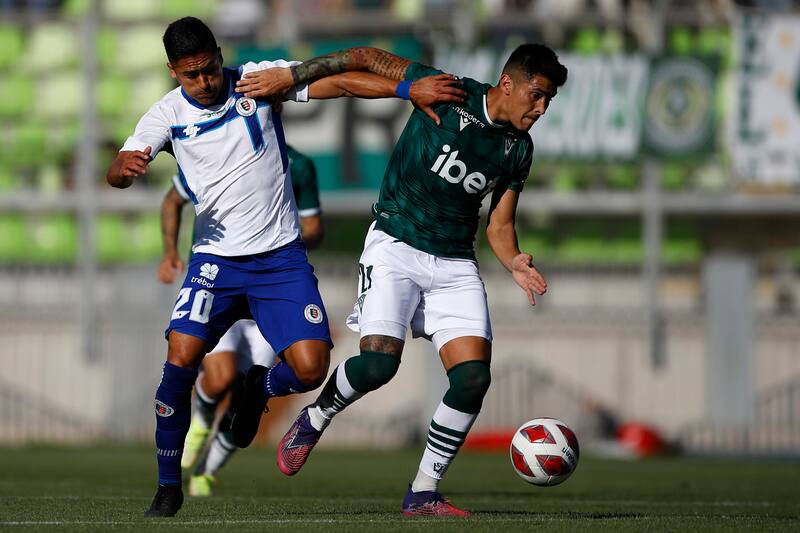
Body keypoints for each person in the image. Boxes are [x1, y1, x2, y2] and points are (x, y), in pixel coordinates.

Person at [105, 16, 464, 518]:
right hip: (215, 261)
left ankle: (257, 388)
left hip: (279, 260)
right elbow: (121, 165)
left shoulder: (257, 80)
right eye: (191, 76)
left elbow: (336, 82)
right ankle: (168, 486)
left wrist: (406, 89)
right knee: (181, 361)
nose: (204, 82)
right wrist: (122, 171)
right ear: (172, 72)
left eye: (209, 69)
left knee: (312, 368)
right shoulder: (164, 116)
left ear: (218, 54)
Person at [236, 43, 567, 517]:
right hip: (397, 244)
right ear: (508, 84)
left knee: (473, 379)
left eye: (549, 100)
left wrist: (513, 261)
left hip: (454, 263)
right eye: (536, 95)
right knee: (378, 366)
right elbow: (367, 57)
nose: (541, 108)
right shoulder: (451, 92)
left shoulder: (519, 149)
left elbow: (499, 224)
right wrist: (293, 76)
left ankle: (423, 492)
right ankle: (315, 417)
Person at [157, 145, 324, 497]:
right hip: (222, 280)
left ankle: (207, 470)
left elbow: (314, 226)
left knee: (248, 396)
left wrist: (279, 235)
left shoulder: (300, 165)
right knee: (219, 377)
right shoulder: (219, 147)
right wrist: (170, 252)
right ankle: (202, 416)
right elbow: (173, 199)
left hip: (272, 283)